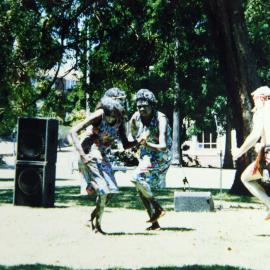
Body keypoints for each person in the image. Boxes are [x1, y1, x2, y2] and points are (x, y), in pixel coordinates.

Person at [70, 94, 139, 234]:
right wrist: (83, 156)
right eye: (118, 100)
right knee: (103, 190)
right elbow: (73, 131)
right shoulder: (99, 114)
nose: (121, 103)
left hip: (102, 155)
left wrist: (139, 141)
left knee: (111, 191)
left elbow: (125, 144)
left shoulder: (120, 120)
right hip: (89, 154)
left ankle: (91, 220)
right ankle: (98, 227)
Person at [129, 89, 172, 230]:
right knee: (140, 188)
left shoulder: (161, 119)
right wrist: (134, 146)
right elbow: (132, 137)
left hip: (161, 157)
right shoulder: (135, 118)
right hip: (146, 156)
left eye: (145, 105)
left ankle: (158, 208)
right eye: (139, 106)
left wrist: (146, 144)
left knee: (136, 177)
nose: (141, 108)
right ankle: (155, 223)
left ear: (152, 105)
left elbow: (164, 146)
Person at [232, 85, 270, 220]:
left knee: (246, 178)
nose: (254, 103)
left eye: (255, 99)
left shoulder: (263, 111)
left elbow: (254, 136)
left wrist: (239, 152)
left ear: (263, 98)